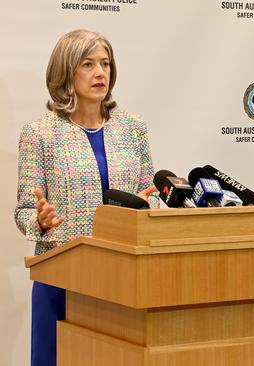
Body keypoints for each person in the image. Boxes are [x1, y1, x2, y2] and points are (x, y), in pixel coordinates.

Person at [14, 29, 156, 366]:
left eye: (105, 64)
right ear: (66, 71)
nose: (100, 73)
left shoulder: (133, 128)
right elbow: (23, 210)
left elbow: (152, 193)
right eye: (88, 64)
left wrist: (146, 205)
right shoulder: (40, 133)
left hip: (120, 276)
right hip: (62, 275)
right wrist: (39, 220)